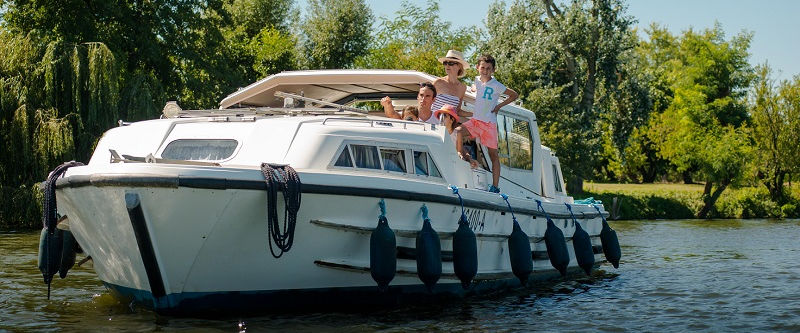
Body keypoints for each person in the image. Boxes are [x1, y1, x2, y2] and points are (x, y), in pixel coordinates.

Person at [454, 54, 518, 193]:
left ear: (493, 70)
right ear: (478, 68)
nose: (485, 71)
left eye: (488, 68)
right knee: (458, 131)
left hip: (489, 124)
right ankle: (461, 154)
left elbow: (514, 95)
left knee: (493, 155)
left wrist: (499, 106)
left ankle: (495, 186)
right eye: (483, 67)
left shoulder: (496, 85)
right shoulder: (477, 80)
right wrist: (473, 89)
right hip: (476, 121)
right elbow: (476, 88)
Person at [434, 104, 478, 168]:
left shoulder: (457, 133)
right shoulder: (436, 132)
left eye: (445, 116)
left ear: (452, 120)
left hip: (452, 162)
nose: (442, 118)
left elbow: (459, 152)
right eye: (440, 115)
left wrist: (462, 156)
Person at [432, 50, 473, 119]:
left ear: (459, 66)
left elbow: (458, 111)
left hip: (448, 125)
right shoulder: (438, 82)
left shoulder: (462, 87)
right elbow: (425, 102)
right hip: (433, 124)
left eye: (451, 63)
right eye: (445, 63)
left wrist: (475, 114)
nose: (447, 65)